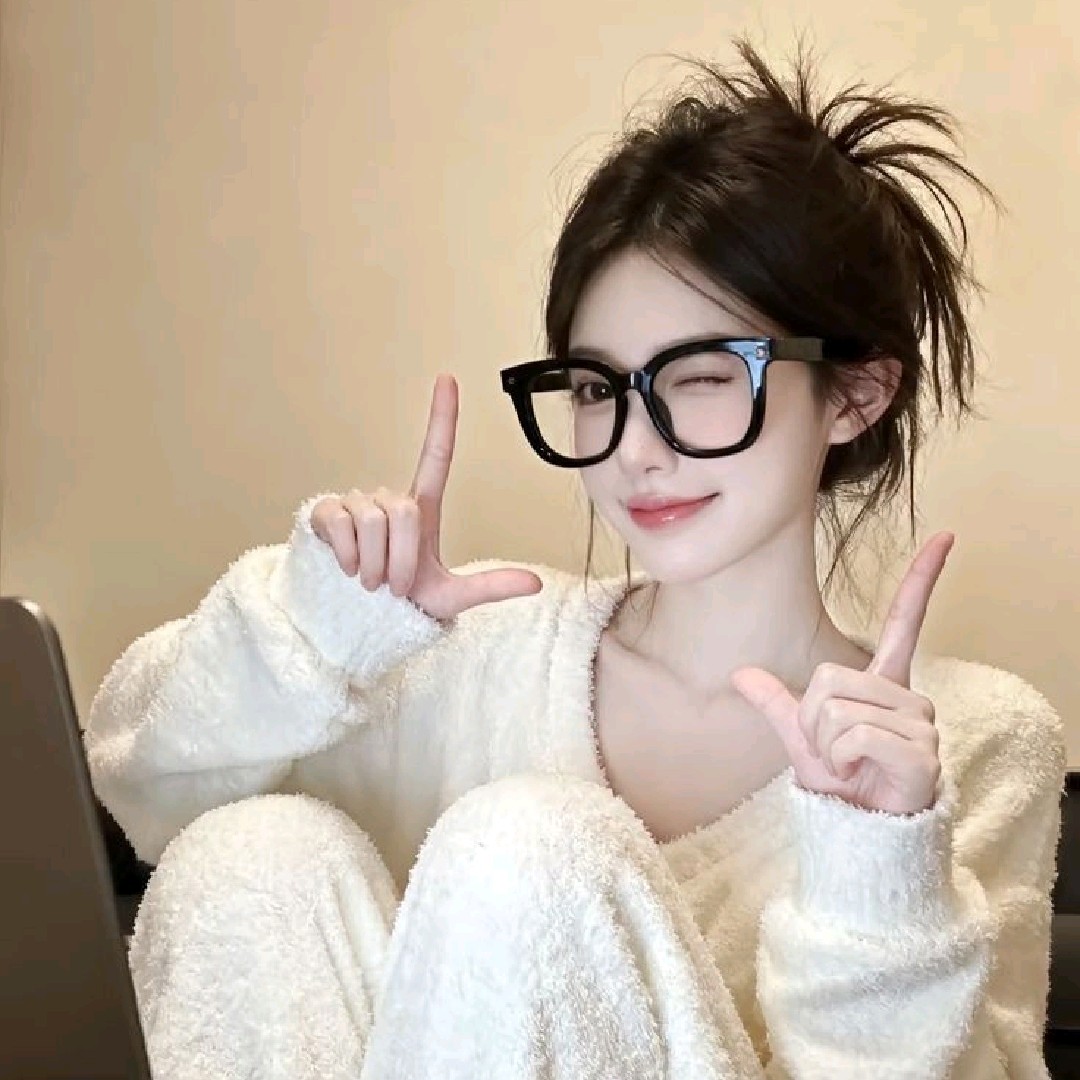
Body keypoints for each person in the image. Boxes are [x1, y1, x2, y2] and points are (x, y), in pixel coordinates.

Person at [86, 39, 1066, 1080]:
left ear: (856, 395)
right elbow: (144, 788)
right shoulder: (480, 654)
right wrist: (312, 627)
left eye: (699, 376)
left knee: (528, 846)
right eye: (598, 388)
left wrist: (880, 872)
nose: (635, 449)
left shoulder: (969, 740)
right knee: (248, 858)